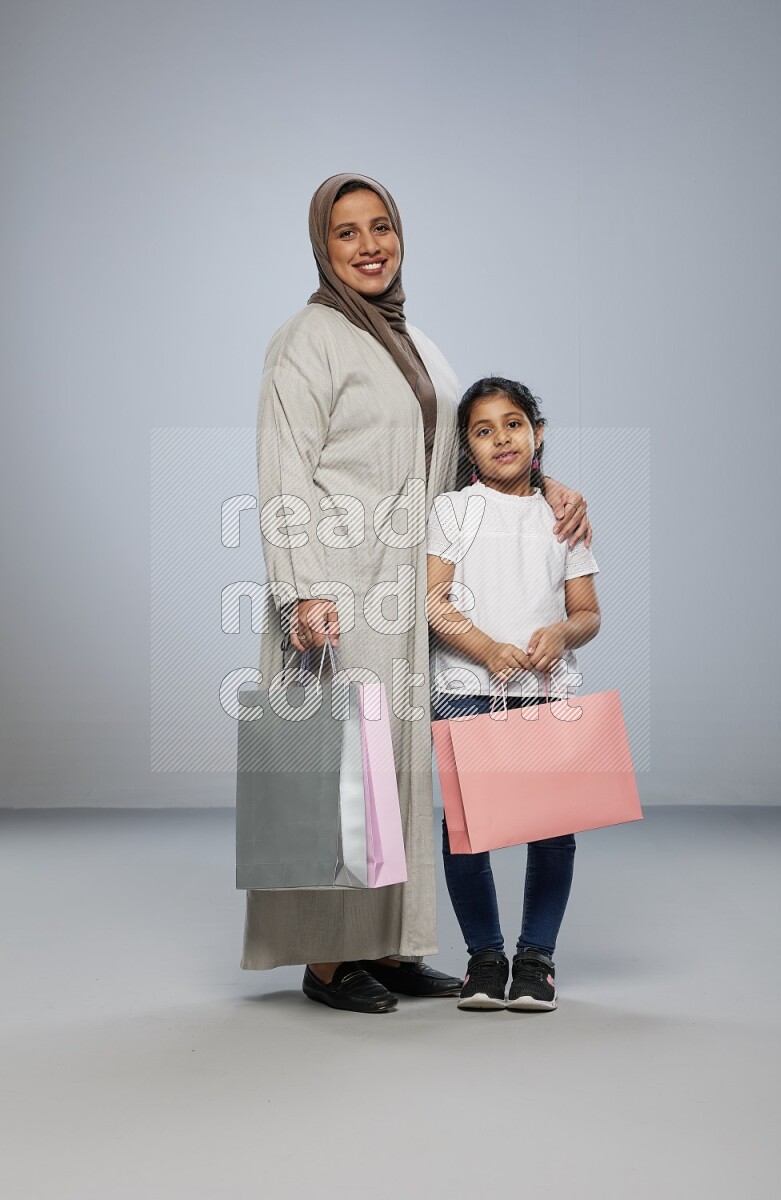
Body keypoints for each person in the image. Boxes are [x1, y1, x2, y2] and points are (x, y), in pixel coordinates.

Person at [243, 175, 592, 1014]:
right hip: (336, 587)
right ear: (322, 249)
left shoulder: (419, 344)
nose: (369, 246)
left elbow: (476, 456)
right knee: (336, 773)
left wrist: (545, 488)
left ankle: (387, 946)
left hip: (411, 593)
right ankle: (327, 960)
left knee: (398, 776)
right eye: (346, 233)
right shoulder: (307, 339)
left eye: (382, 227)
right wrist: (302, 595)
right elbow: (282, 470)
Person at [427, 376, 601, 1011]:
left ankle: (536, 959)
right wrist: (485, 649)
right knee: (467, 832)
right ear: (467, 447)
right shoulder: (452, 511)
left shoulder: (563, 516)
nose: (501, 438)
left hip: (548, 692)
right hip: (469, 690)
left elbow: (588, 612)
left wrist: (562, 630)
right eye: (482, 429)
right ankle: (484, 956)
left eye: (513, 423)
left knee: (553, 831)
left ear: (538, 432)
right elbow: (429, 600)